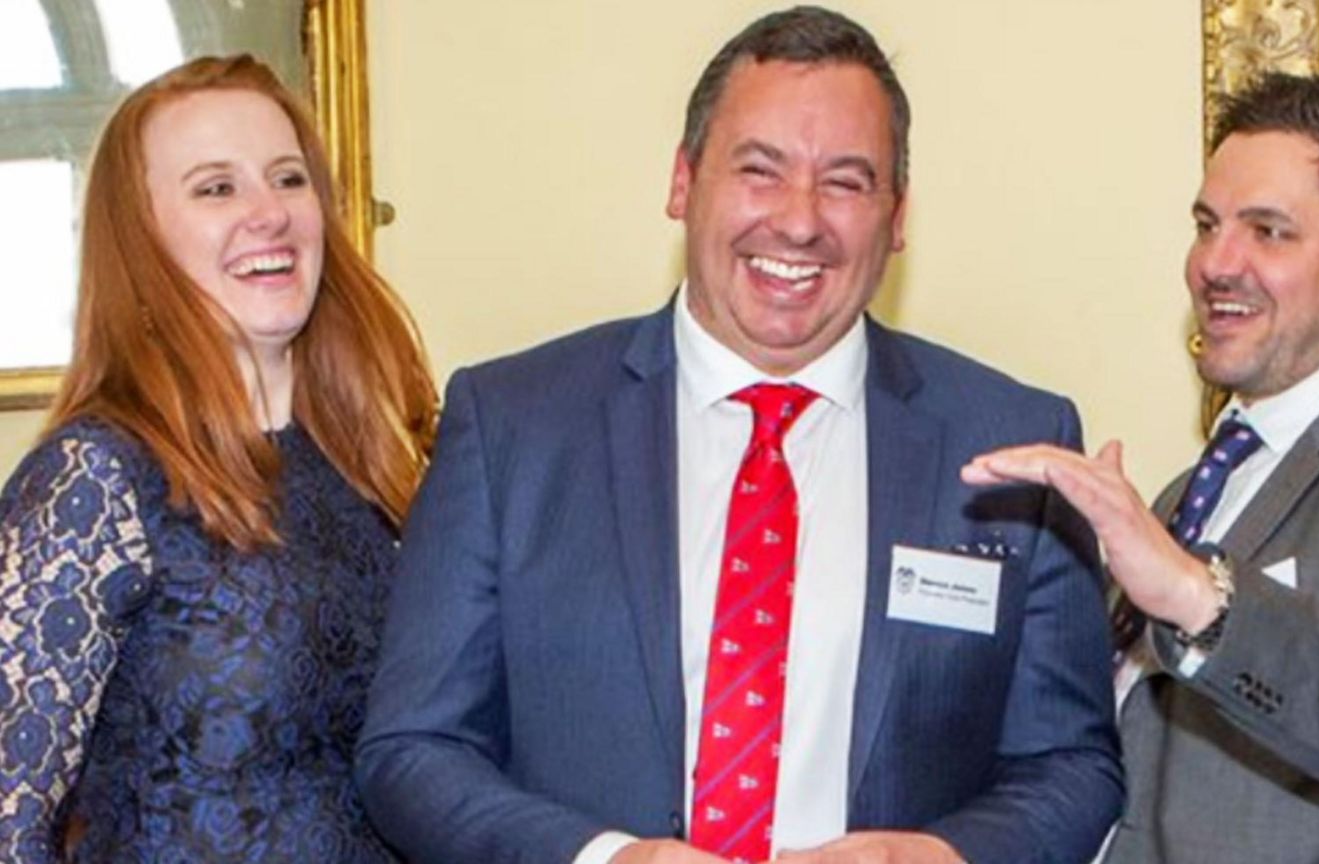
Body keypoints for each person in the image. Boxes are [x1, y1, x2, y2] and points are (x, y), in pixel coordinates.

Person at [356, 7, 1121, 864]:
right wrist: (607, 860)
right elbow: (412, 751)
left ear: (897, 217)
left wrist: (939, 857)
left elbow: (1071, 765)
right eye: (760, 170)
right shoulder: (512, 427)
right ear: (683, 183)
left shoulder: (1014, 441)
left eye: (846, 181)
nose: (799, 222)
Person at [962, 72, 1319, 863]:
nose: (1213, 264)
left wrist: (1202, 598)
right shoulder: (1183, 496)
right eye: (1206, 224)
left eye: (1268, 232)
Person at [0, 55, 437, 863]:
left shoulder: (377, 462)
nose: (268, 213)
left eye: (288, 179)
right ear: (140, 243)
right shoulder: (94, 479)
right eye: (216, 188)